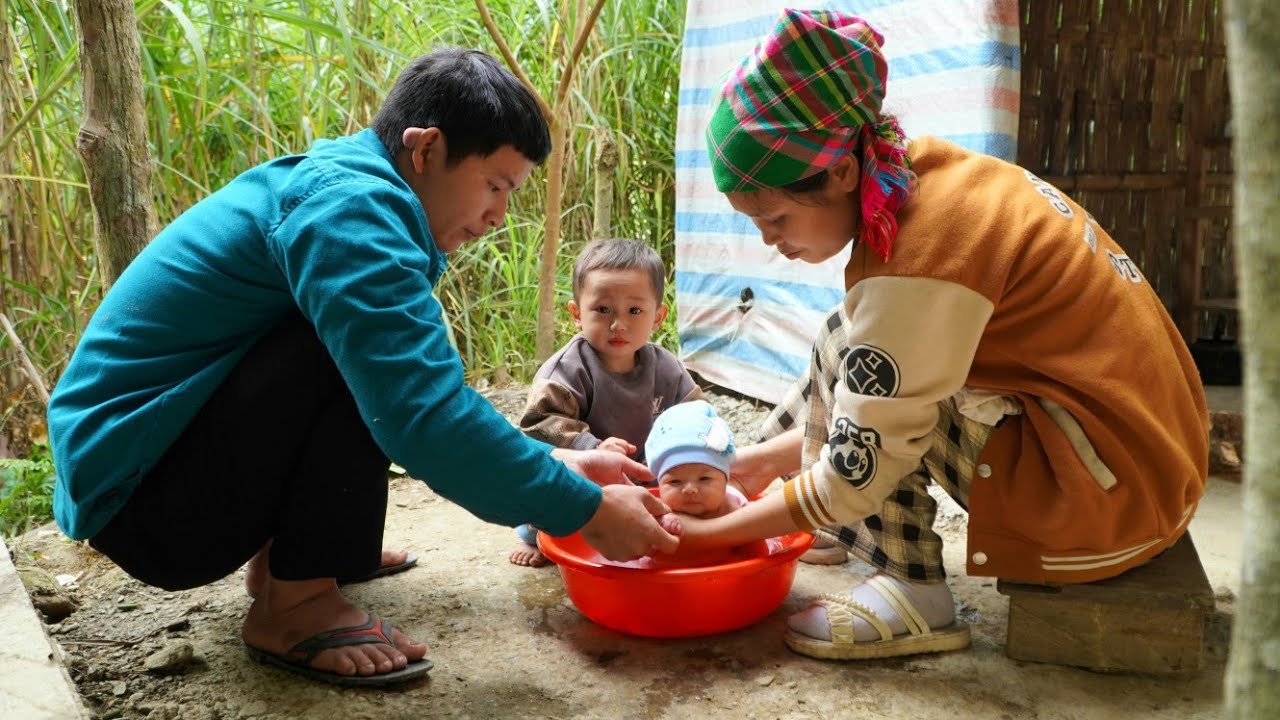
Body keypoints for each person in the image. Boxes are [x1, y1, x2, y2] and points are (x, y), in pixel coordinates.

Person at [46, 48, 678, 687]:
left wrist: (561, 462)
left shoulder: (359, 191)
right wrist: (585, 510)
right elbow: (424, 415)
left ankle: (295, 560)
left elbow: (415, 396)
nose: (498, 215)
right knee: (366, 363)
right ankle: (295, 607)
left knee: (373, 356)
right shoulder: (349, 210)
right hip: (144, 499)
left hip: (160, 468)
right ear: (425, 149)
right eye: (495, 185)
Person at [677, 9, 1208, 661]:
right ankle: (826, 520)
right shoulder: (921, 177)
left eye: (776, 217)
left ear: (840, 173)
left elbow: (857, 469)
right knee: (856, 338)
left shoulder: (919, 260)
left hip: (1108, 502)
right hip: (1140, 460)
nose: (768, 240)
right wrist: (753, 466)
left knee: (875, 380)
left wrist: (706, 537)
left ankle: (914, 594)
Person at [511, 238, 704, 566]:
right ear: (577, 313)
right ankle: (536, 537)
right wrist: (592, 447)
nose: (618, 325)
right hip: (585, 476)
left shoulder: (666, 368)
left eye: (634, 311)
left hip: (644, 473)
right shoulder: (568, 369)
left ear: (658, 317)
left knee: (689, 500)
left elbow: (697, 414)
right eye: (602, 310)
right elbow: (539, 423)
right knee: (546, 510)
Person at [645, 400, 745, 538]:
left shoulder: (734, 509)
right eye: (675, 481)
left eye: (704, 478)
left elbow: (753, 542)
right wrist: (662, 523)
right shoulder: (658, 511)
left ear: (725, 481)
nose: (690, 489)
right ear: (660, 485)